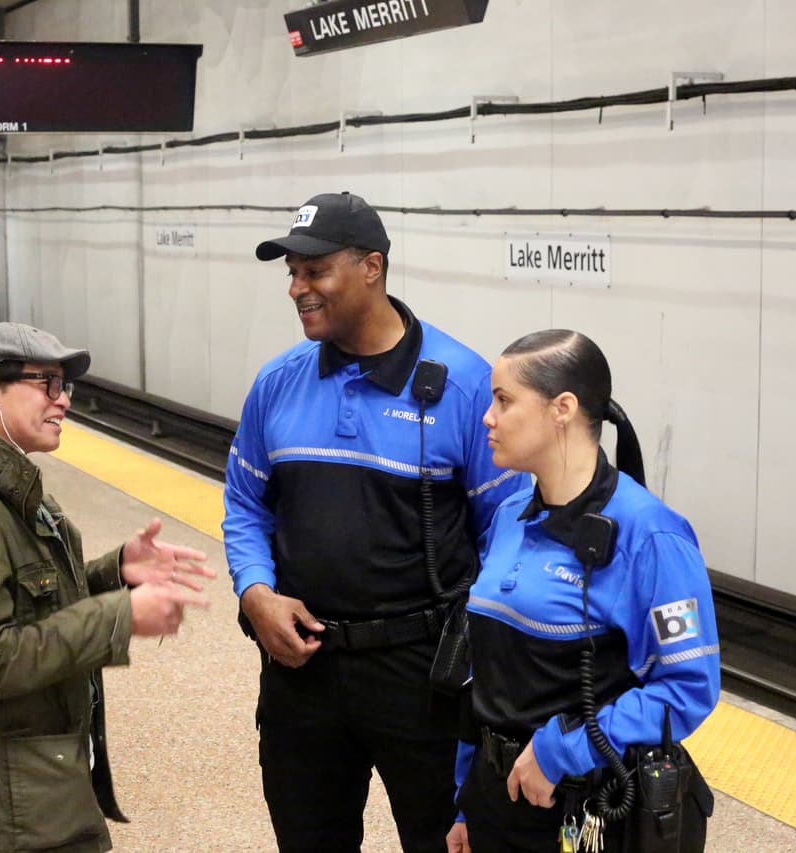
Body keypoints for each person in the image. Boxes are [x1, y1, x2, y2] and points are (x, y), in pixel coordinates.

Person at [223, 191, 526, 852]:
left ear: (372, 267)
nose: (298, 288)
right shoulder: (277, 384)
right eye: (292, 273)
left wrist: (497, 678)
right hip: (301, 673)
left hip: (426, 678)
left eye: (315, 270)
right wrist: (255, 592)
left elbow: (509, 532)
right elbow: (245, 504)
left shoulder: (464, 386)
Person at [0, 322, 214, 852]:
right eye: (47, 385)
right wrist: (119, 617)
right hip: (4, 815)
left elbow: (29, 600)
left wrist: (115, 573)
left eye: (66, 387)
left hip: (33, 790)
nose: (64, 403)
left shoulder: (6, 489)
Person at [448, 329, 719, 853]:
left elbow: (686, 688)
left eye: (504, 401)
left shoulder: (653, 538)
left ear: (562, 409)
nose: (488, 417)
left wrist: (561, 750)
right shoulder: (508, 517)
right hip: (494, 801)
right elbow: (485, 674)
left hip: (584, 814)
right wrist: (467, 800)